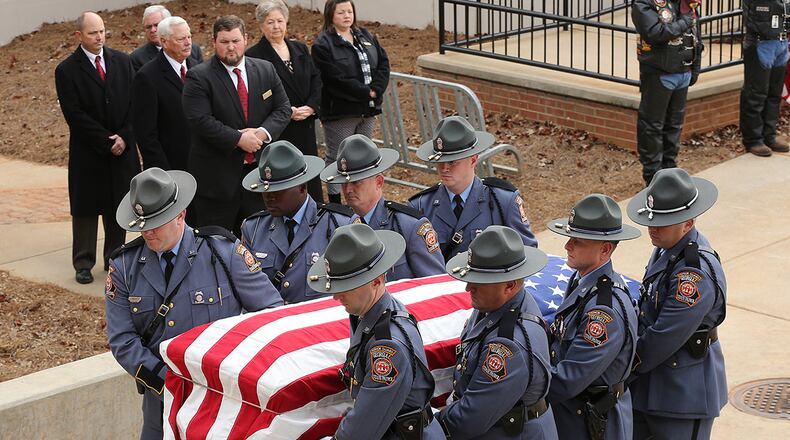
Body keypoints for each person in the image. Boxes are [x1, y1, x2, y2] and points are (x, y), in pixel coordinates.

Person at [105, 167, 283, 440]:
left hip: (221, 399)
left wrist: (237, 370)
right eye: (142, 224)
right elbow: (122, 340)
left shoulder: (222, 252)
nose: (147, 232)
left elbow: (271, 313)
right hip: (161, 401)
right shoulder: (124, 267)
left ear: (181, 214)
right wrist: (167, 381)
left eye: (156, 223)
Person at [306, 223, 444, 439]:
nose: (336, 296)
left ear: (377, 281)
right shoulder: (368, 313)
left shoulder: (388, 347)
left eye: (346, 287)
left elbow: (361, 431)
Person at [625, 168, 727, 439]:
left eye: (663, 223)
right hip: (652, 384)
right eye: (651, 220)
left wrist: (622, 365)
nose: (652, 228)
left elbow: (665, 335)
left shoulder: (693, 273)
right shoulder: (667, 247)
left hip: (682, 393)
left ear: (688, 222)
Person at [436, 225, 558, 439]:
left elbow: (471, 419)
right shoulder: (494, 305)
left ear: (510, 285)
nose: (468, 288)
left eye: (480, 282)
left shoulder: (508, 345)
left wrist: (430, 425)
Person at [182, 15, 292, 236]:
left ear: (246, 39)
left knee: (260, 241)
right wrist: (238, 139)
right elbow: (200, 120)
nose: (231, 47)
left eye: (235, 41)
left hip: (260, 178)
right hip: (217, 183)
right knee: (217, 244)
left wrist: (261, 133)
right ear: (214, 42)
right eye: (224, 42)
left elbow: (283, 109)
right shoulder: (199, 77)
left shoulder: (265, 69)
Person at [55, 11, 141, 284]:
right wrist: (106, 141)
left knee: (117, 206)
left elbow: (135, 104)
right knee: (87, 209)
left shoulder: (123, 61)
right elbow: (74, 114)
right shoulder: (67, 70)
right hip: (89, 153)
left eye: (102, 31)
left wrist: (125, 137)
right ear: (78, 35)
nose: (99, 37)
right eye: (93, 33)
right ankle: (83, 262)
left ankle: (114, 258)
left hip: (122, 151)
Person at [545, 194, 641, 440]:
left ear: (605, 249)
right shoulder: (582, 280)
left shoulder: (604, 312)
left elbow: (569, 378)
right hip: (573, 416)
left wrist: (519, 390)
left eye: (577, 241)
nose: (567, 246)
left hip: (591, 424)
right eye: (569, 238)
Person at [409, 116, 538, 261]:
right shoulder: (420, 206)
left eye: (452, 162)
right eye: (440, 162)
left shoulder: (503, 201)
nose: (444, 168)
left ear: (473, 160)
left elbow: (527, 251)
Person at [319, 134, 445, 281]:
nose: (348, 190)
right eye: (344, 183)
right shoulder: (337, 226)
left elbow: (435, 284)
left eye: (356, 182)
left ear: (379, 182)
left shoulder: (408, 226)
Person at [240, 141, 352, 304]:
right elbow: (249, 290)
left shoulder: (338, 224)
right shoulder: (254, 228)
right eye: (266, 190)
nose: (269, 197)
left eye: (278, 190)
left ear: (302, 187)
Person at [311, 0, 390, 204]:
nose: (347, 16)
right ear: (330, 15)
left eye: (349, 11)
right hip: (341, 112)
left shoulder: (365, 35)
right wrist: (365, 92)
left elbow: (383, 63)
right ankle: (336, 202)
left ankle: (362, 198)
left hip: (368, 109)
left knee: (363, 155)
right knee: (338, 157)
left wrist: (376, 89)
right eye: (341, 12)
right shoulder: (323, 44)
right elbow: (333, 78)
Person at [246, 0, 324, 202]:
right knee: (287, 182)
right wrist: (287, 111)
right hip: (280, 130)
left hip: (305, 124)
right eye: (270, 22)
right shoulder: (253, 56)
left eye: (280, 21)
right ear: (261, 25)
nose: (276, 26)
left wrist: (311, 107)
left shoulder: (300, 49)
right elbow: (257, 94)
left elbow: (316, 80)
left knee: (309, 176)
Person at [632, 0, 703, 185]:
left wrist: (695, 66)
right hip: (659, 72)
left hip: (683, 72)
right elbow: (654, 33)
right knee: (652, 126)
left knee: (674, 125)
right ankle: (653, 177)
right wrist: (685, 21)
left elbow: (696, 35)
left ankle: (670, 171)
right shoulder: (644, 3)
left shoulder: (687, 3)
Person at [132, 16, 198, 172]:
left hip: (202, 163)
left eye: (189, 37)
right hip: (171, 166)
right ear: (164, 42)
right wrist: (165, 172)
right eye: (181, 39)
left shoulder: (197, 68)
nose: (188, 43)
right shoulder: (147, 77)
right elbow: (146, 135)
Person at [739, 0, 790, 156]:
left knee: (774, 93)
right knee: (756, 93)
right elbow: (755, 18)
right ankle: (753, 140)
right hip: (761, 42)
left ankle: (769, 136)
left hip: (781, 42)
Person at [130, 4, 203, 72]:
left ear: (169, 24)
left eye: (157, 25)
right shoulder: (137, 58)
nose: (152, 30)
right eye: (148, 27)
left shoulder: (193, 49)